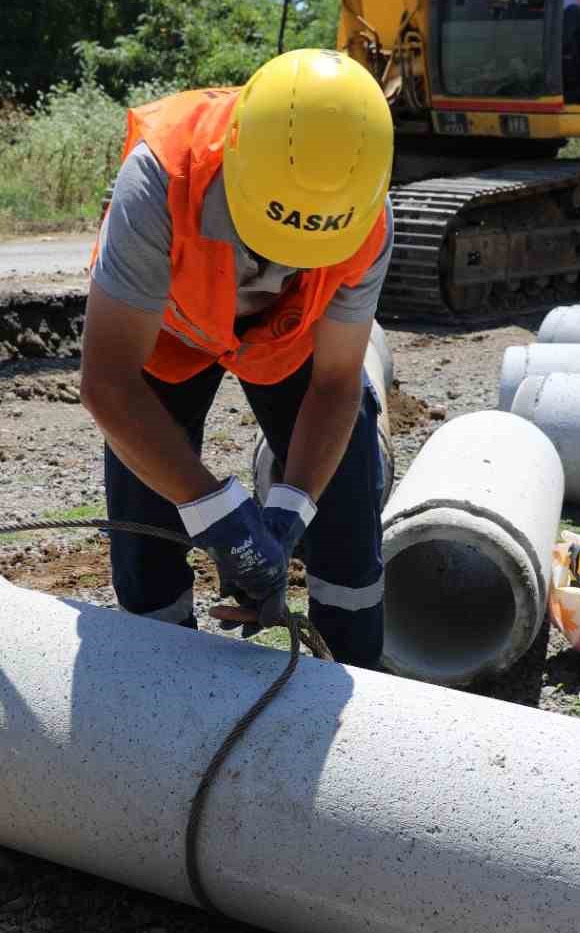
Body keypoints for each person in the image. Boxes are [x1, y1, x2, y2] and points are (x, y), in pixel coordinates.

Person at [79, 48, 395, 668]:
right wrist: (215, 513)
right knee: (146, 518)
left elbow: (334, 382)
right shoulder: (161, 178)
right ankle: (158, 683)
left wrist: (287, 513)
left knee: (347, 510)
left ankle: (352, 682)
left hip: (286, 345)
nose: (282, 264)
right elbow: (108, 382)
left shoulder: (368, 218)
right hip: (167, 336)